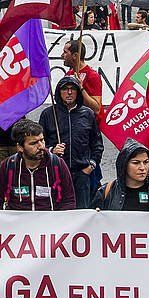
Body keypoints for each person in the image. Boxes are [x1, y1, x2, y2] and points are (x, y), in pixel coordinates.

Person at [42, 76, 103, 209]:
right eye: (65, 89)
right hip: (56, 174)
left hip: (82, 175)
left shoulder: (88, 114)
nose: (69, 92)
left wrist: (90, 166)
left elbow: (97, 144)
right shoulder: (48, 114)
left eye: (72, 89)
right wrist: (52, 150)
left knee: (82, 214)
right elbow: (39, 145)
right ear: (59, 92)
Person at [0, 119, 75, 211]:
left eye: (42, 140)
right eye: (33, 143)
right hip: (18, 223)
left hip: (49, 222)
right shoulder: (8, 166)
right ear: (20, 147)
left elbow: (69, 201)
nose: (41, 146)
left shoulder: (57, 164)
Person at [92, 139, 149, 212]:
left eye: (146, 162)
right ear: (124, 165)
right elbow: (88, 223)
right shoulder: (107, 191)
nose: (142, 167)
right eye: (136, 163)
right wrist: (96, 216)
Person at [61, 39, 103, 114]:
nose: (62, 55)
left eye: (65, 52)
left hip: (90, 124)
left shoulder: (93, 76)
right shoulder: (68, 74)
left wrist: (81, 88)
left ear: (75, 55)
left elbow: (97, 109)